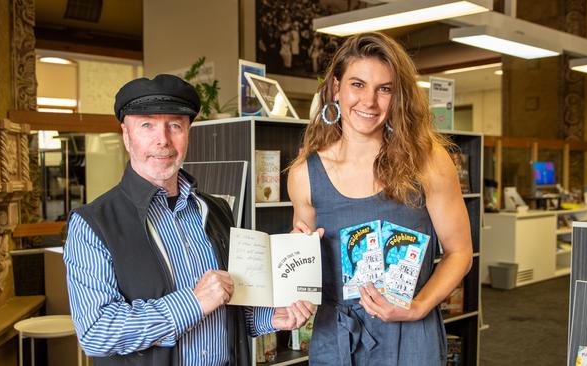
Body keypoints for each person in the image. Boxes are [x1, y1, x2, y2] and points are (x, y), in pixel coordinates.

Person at [63, 74, 314, 366]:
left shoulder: (217, 210)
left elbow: (227, 306)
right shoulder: (92, 224)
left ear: (188, 133)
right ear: (126, 135)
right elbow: (97, 332)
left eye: (175, 126)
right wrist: (192, 303)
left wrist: (270, 316)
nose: (163, 140)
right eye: (147, 125)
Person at [287, 32, 473, 365]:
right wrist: (295, 262)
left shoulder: (429, 162)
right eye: (357, 84)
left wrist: (418, 307)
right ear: (335, 88)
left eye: (384, 89)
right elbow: (305, 266)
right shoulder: (304, 174)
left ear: (398, 97)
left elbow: (460, 252)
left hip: (410, 333)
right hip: (338, 337)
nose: (369, 102)